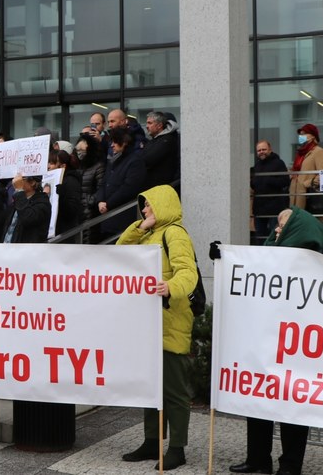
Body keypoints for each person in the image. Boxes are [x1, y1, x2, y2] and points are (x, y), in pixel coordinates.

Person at [229, 205, 323, 475]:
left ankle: (290, 465)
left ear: (298, 227)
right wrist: (225, 261)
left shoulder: (313, 260)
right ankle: (258, 459)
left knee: (292, 408)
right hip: (267, 342)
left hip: (296, 348)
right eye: (277, 224)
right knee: (258, 400)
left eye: (283, 225)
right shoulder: (272, 256)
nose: (276, 230)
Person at [118, 185, 198, 470]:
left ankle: (177, 447)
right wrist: (140, 227)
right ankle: (152, 442)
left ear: (163, 205)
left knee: (174, 390)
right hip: (150, 322)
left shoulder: (175, 233)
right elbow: (120, 254)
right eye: (143, 205)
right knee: (151, 387)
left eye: (149, 205)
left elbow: (188, 272)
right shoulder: (149, 234)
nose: (145, 209)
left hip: (171, 320)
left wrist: (170, 287)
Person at [96, 127, 146, 239]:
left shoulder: (135, 161)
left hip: (122, 220)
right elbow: (103, 183)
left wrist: (108, 204)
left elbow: (128, 188)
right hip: (108, 219)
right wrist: (100, 201)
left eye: (115, 142)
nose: (112, 145)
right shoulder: (113, 161)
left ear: (124, 143)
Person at [250, 141, 290, 245]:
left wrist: (269, 180)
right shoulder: (257, 165)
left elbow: (285, 181)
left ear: (270, 150)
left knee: (275, 236)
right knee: (260, 237)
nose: (261, 152)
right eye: (259, 150)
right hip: (259, 208)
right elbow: (254, 184)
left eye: (264, 149)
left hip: (274, 208)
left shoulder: (278, 163)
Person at [288, 123, 323, 225]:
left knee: (311, 225)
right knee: (298, 225)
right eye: (300, 134)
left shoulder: (318, 151)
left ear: (313, 136)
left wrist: (308, 183)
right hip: (297, 195)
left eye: (304, 134)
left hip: (310, 196)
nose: (301, 136)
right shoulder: (301, 153)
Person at [1, 172, 52, 243]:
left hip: (27, 252)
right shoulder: (17, 201)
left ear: (32, 183)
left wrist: (19, 191)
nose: (15, 181)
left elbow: (27, 218)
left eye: (21, 178)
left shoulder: (42, 203)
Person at [141, 111, 181, 191]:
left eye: (150, 123)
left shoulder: (167, 141)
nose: (146, 126)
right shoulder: (154, 140)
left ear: (159, 125)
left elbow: (148, 160)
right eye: (147, 123)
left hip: (161, 189)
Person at [48, 151, 83, 237]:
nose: (48, 166)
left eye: (52, 163)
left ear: (63, 166)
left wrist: (61, 195)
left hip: (65, 232)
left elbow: (72, 209)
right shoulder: (52, 181)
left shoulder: (71, 181)